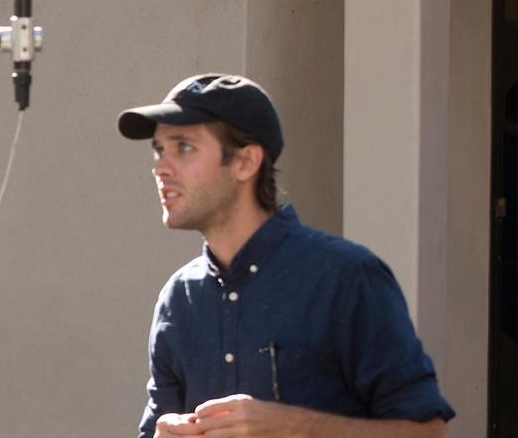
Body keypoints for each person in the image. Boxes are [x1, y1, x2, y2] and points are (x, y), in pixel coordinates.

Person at [118, 74, 453, 437]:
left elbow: (429, 433)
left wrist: (297, 427)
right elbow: (154, 427)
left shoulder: (347, 278)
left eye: (183, 147)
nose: (161, 168)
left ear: (246, 162)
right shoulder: (179, 299)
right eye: (159, 150)